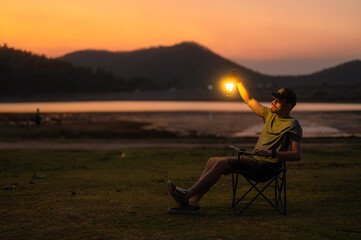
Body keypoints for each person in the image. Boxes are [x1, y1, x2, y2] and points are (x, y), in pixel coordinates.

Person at [167, 70, 303, 214]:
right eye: (274, 98)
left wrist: (270, 153)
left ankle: (186, 195)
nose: (273, 102)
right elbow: (249, 99)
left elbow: (296, 155)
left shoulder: (293, 125)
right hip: (254, 160)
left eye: (278, 100)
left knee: (222, 163)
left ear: (288, 105)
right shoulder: (270, 115)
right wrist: (238, 82)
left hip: (267, 168)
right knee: (212, 160)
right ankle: (192, 203)